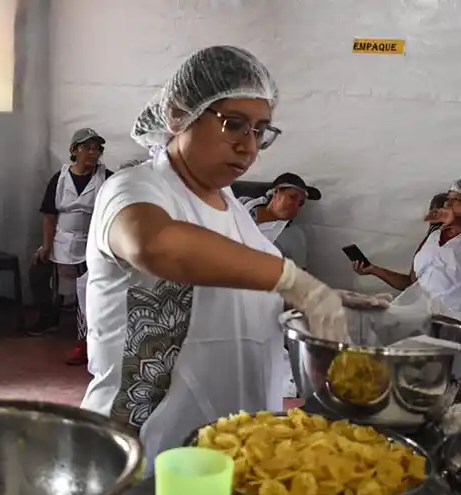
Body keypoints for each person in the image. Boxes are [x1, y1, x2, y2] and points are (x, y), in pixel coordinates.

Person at [79, 45, 347, 471]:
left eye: (260, 131)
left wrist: (332, 306)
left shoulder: (232, 207)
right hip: (148, 457)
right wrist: (295, 281)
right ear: (178, 114)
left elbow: (247, 293)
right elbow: (155, 244)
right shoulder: (135, 189)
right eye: (233, 124)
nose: (248, 146)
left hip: (235, 447)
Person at [352, 178, 461, 345]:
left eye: (457, 200)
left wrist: (453, 211)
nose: (447, 203)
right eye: (448, 199)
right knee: (364, 330)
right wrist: (373, 270)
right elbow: (412, 284)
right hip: (425, 314)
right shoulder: (432, 238)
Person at [27, 128, 113, 367]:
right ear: (75, 150)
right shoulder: (60, 178)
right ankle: (48, 317)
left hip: (92, 243)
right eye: (87, 148)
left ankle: (86, 336)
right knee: (37, 270)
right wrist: (46, 246)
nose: (92, 153)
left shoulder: (107, 178)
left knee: (87, 287)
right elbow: (49, 215)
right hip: (61, 241)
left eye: (96, 149)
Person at [239, 172, 320, 269]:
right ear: (276, 192)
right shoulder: (241, 204)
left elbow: (297, 276)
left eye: (300, 203)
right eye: (292, 197)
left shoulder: (293, 236)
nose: (295, 206)